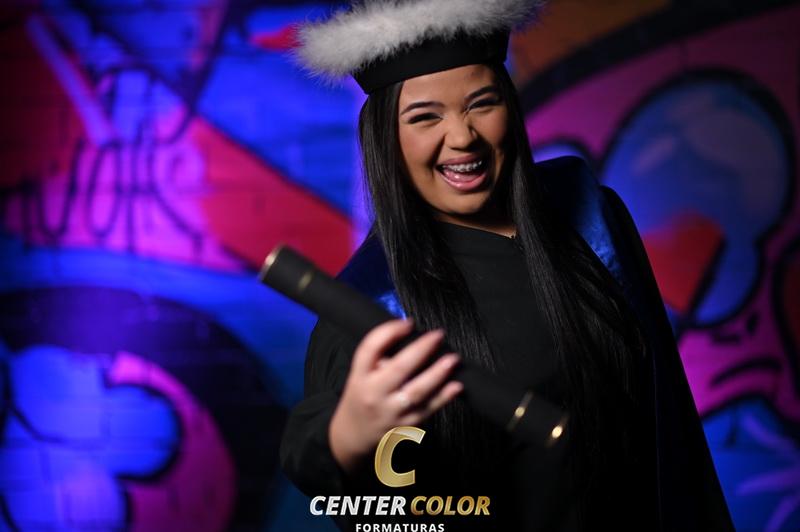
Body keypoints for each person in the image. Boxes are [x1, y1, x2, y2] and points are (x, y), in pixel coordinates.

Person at [279, 1, 734, 530]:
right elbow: (333, 467)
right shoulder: (373, 305)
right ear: (386, 139)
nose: (462, 137)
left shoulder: (593, 218)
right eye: (425, 117)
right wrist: (347, 438)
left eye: (482, 103)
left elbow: (671, 422)